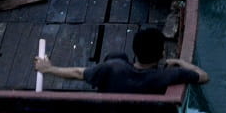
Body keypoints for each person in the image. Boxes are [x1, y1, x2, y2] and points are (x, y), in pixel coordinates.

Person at [35, 27, 208, 94]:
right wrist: (180, 62)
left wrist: (49, 69)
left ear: (135, 49)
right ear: (161, 53)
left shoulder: (114, 67)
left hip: (110, 104)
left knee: (117, 56)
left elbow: (79, 73)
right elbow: (203, 76)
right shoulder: (167, 76)